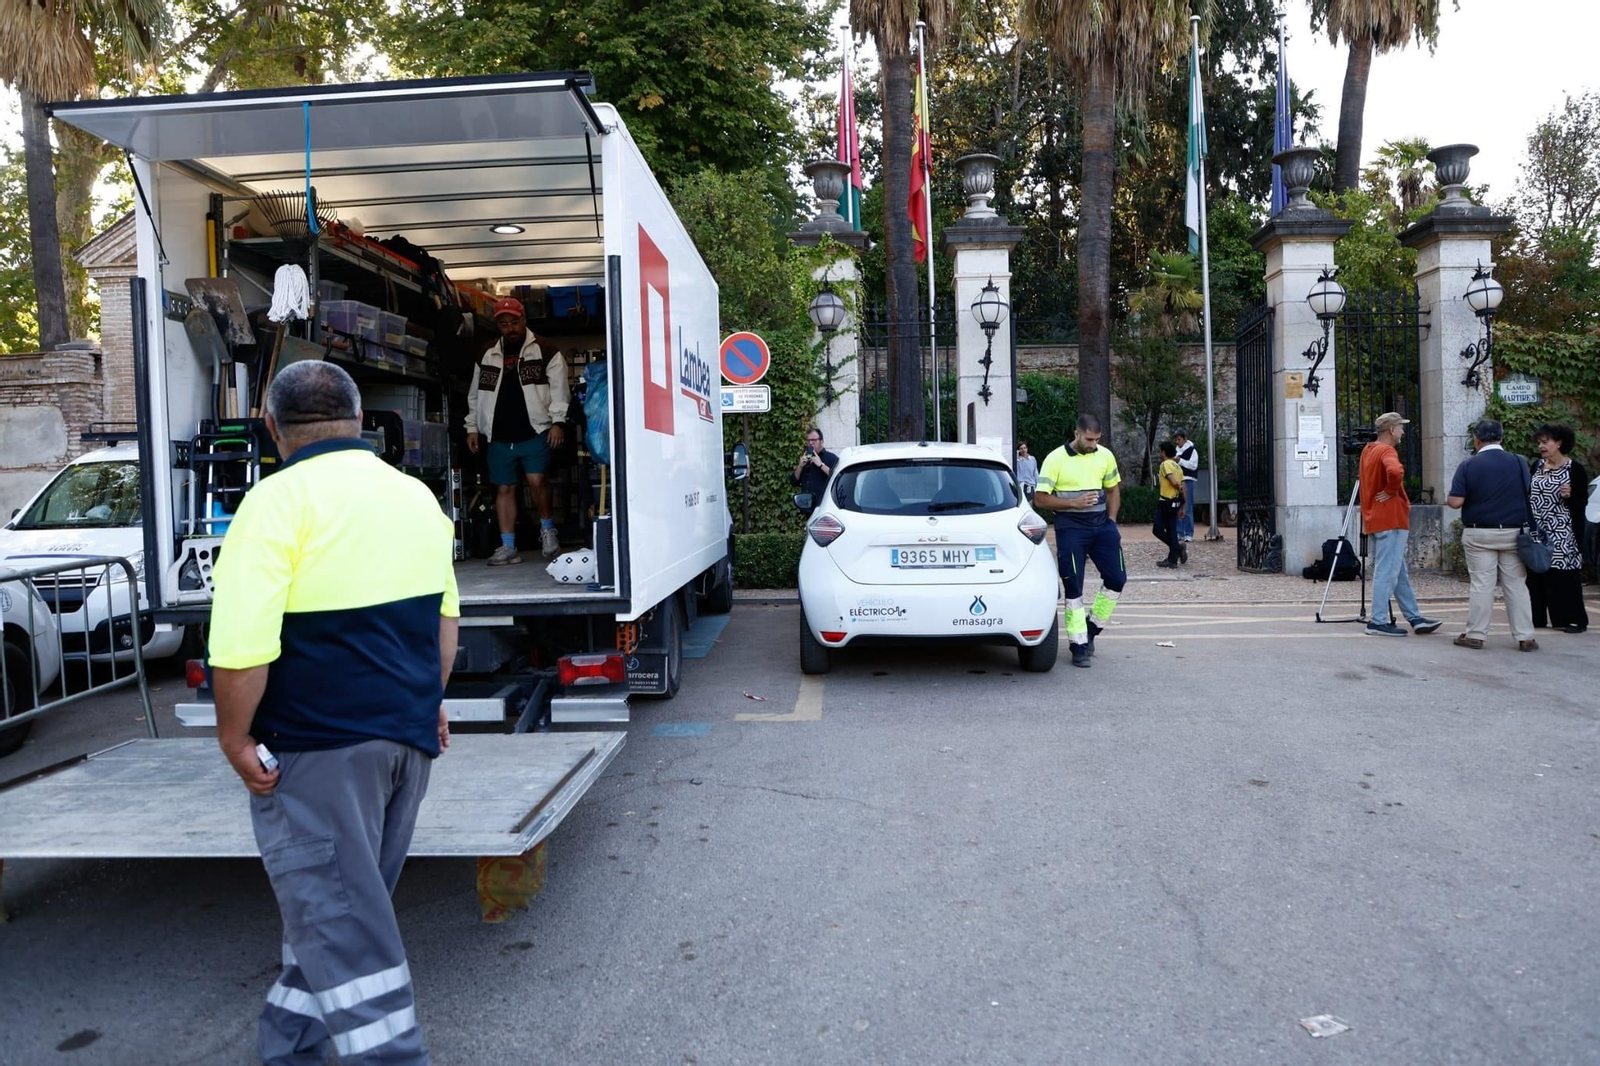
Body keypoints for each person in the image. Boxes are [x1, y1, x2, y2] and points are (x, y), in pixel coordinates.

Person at [208, 361, 459, 1066]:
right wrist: (424, 706)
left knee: (344, 926)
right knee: (340, 912)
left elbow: (241, 647)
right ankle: (290, 1050)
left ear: (272, 428)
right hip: (407, 746)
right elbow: (445, 626)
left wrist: (234, 739)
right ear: (360, 421)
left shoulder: (274, 503)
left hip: (318, 751)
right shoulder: (416, 499)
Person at [464, 296, 570, 565]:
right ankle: (508, 546)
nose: (509, 328)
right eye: (503, 323)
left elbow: (560, 391)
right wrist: (472, 427)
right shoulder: (486, 353)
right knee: (504, 489)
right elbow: (475, 394)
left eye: (513, 322)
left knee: (538, 482)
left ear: (524, 320)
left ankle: (548, 532)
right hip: (498, 434)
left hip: (535, 430)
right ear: (497, 325)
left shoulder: (546, 350)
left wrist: (558, 422)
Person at [1033, 414, 1127, 668]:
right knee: (1074, 587)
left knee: (1117, 580)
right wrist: (1073, 503)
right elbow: (1039, 499)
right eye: (1089, 439)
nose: (1093, 444)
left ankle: (1092, 629)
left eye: (1097, 439)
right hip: (1070, 528)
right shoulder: (1055, 459)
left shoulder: (1104, 455)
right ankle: (1079, 646)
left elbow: (1113, 489)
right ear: (1077, 434)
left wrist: (1112, 521)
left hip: (1102, 527)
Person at [1446, 419, 1536, 651]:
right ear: (1501, 438)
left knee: (1481, 584)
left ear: (1476, 439)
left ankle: (1476, 634)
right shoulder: (1519, 462)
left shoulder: (1468, 466)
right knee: (1516, 585)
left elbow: (1455, 502)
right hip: (1513, 532)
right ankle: (1525, 636)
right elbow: (1527, 491)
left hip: (1479, 532)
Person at [1358, 412, 1442, 637]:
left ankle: (1414, 617)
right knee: (1388, 571)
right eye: (1400, 427)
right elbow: (1395, 471)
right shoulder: (1387, 451)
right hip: (1391, 518)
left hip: (1375, 517)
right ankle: (1377, 621)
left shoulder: (1368, 450)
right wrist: (1391, 491)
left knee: (1398, 571)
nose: (1402, 431)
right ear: (1391, 430)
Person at [1526, 422, 1589, 633]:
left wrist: (1570, 496)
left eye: (1546, 442)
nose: (1541, 446)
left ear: (1559, 443)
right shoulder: (1536, 466)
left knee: (1563, 575)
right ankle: (1537, 619)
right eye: (1540, 443)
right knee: (1536, 572)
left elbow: (1582, 504)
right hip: (1538, 529)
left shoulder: (1575, 469)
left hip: (1563, 530)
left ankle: (1572, 619)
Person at [1153, 440, 1187, 568]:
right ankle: (1172, 560)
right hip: (1176, 502)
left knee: (1157, 529)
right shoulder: (1177, 467)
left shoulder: (1165, 464)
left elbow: (1173, 482)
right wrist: (1183, 506)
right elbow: (1185, 487)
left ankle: (1177, 548)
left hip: (1166, 501)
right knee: (1172, 530)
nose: (1159, 454)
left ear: (1164, 452)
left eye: (1160, 451)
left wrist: (1177, 485)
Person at [791, 427, 838, 516]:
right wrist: (800, 466)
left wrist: (820, 464)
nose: (810, 443)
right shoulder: (805, 458)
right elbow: (793, 482)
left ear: (821, 441)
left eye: (814, 440)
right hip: (807, 508)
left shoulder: (831, 458)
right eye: (808, 440)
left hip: (825, 508)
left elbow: (836, 478)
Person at [1173, 429, 1199, 542]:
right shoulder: (1175, 451)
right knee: (1178, 506)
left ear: (1185, 439)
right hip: (1178, 481)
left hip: (1188, 480)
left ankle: (1189, 533)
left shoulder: (1192, 451)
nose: (1177, 442)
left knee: (1187, 507)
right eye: (1176, 440)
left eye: (1179, 439)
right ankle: (1179, 532)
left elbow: (1193, 465)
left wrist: (1180, 461)